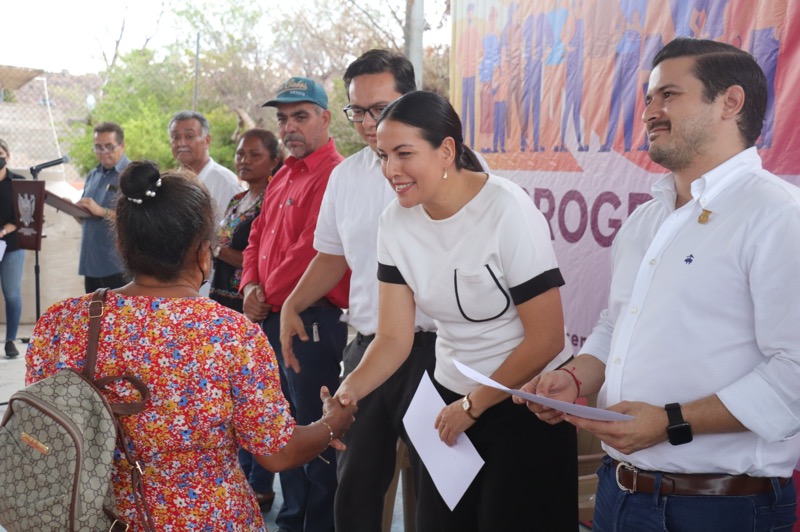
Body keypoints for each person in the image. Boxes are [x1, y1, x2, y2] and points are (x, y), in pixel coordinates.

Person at [518, 37, 800, 531]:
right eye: (648, 98)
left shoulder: (780, 217)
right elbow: (616, 321)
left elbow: (794, 373)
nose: (650, 111)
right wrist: (577, 378)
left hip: (721, 508)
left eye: (669, 95)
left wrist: (670, 422)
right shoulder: (647, 220)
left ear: (730, 103)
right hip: (620, 491)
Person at [25, 160, 356, 531]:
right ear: (204, 252)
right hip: (208, 520)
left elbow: (44, 426)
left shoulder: (62, 322)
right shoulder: (231, 334)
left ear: (121, 243)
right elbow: (277, 453)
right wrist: (332, 424)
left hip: (91, 516)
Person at [335, 90, 577, 531]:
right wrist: (348, 391)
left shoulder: (507, 209)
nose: (391, 170)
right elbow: (393, 338)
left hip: (523, 404)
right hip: (448, 404)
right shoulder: (394, 221)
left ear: (446, 149)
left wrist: (473, 405)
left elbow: (547, 338)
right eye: (382, 156)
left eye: (404, 153)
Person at [279, 50, 436, 532]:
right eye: (358, 111)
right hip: (369, 347)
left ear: (410, 98)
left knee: (440, 490)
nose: (369, 123)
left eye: (381, 108)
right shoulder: (346, 176)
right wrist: (293, 303)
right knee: (354, 487)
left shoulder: (452, 166)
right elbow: (332, 255)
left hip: (438, 347)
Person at [241, 77, 349, 532]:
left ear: (325, 118)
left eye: (300, 116)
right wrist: (249, 287)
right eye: (283, 118)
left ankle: (315, 525)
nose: (289, 127)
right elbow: (255, 239)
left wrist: (265, 295)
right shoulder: (283, 173)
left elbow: (312, 253)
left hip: (313, 322)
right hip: (271, 317)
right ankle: (291, 520)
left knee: (315, 433)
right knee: (279, 429)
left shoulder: (335, 175)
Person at [210, 128, 285, 512]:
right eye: (240, 154)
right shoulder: (240, 199)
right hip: (222, 301)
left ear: (274, 160)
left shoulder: (272, 199)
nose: (243, 161)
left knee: (254, 397)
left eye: (254, 155)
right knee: (227, 397)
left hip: (253, 306)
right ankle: (240, 473)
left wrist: (216, 250)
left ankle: (261, 482)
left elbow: (254, 256)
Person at [74, 122, 129, 293]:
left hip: (116, 263)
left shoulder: (131, 174)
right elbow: (86, 219)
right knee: (93, 317)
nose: (103, 152)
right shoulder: (93, 174)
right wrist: (75, 211)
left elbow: (135, 219)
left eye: (109, 147)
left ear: (122, 146)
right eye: (98, 147)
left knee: (119, 317)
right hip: (91, 261)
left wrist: (100, 211)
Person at [168, 110, 244, 218]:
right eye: (175, 137)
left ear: (207, 141)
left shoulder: (226, 183)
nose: (181, 143)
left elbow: (238, 229)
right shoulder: (170, 183)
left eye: (189, 136)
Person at [0, 139, 25, 358]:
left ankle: (10, 340)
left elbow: (25, 214)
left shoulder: (18, 182)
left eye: (0, 153)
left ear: (8, 156)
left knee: (12, 294)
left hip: (12, 245)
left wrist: (4, 230)